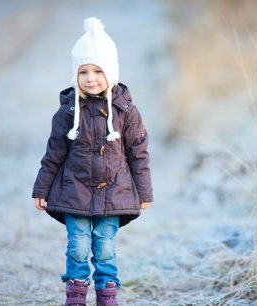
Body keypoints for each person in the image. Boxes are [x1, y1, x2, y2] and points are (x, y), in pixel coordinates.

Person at [32, 17, 153, 306]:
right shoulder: (67, 113)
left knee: (105, 247)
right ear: (75, 76)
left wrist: (144, 192)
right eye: (83, 71)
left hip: (114, 192)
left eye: (98, 70)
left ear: (110, 72)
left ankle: (107, 297)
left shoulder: (127, 113)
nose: (90, 78)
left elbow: (138, 153)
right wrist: (41, 189)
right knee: (78, 246)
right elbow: (54, 154)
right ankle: (75, 297)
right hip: (75, 191)